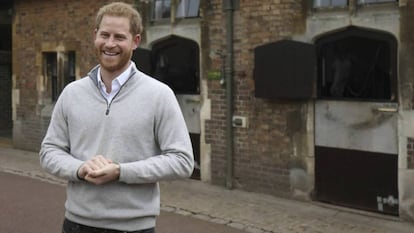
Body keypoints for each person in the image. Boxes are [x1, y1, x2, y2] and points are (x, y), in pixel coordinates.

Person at [39, 2, 194, 233]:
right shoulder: (72, 93)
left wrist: (122, 171)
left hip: (134, 228)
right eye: (105, 35)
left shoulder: (159, 95)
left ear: (135, 41)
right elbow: (49, 151)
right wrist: (80, 168)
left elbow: (182, 161)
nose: (110, 44)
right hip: (76, 224)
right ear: (95, 36)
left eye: (120, 37)